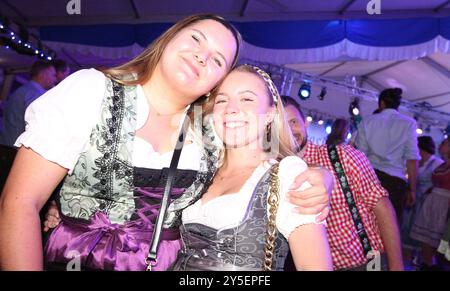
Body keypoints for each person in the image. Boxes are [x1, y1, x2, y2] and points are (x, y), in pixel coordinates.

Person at [0, 14, 332, 271]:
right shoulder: (91, 91)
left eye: (217, 60)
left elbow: (262, 160)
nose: (203, 57)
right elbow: (20, 202)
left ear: (213, 84)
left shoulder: (211, 131)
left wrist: (319, 176)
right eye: (196, 40)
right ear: (169, 39)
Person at [170, 65, 332, 271]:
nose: (231, 108)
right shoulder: (200, 167)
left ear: (270, 115)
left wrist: (324, 176)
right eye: (222, 100)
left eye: (247, 99)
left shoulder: (287, 175)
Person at [281, 95, 404, 271]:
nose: (289, 130)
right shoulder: (278, 174)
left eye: (293, 122)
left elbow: (383, 208)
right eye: (282, 125)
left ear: (305, 123)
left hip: (371, 265)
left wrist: (397, 266)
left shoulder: (343, 156)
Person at [356, 88, 420, 223]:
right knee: (390, 228)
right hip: (395, 182)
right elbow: (412, 159)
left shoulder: (367, 121)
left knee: (365, 224)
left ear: (381, 103)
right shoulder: (409, 123)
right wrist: (413, 189)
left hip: (370, 178)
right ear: (397, 105)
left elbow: (360, 155)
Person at [401, 136, 443, 264]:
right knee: (407, 230)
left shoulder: (437, 163)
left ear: (421, 147)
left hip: (427, 203)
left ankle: (420, 262)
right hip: (413, 202)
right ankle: (407, 262)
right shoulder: (416, 162)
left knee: (422, 235)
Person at [410, 136, 450, 270]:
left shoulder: (439, 163)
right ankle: (427, 264)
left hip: (445, 203)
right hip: (433, 200)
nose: (441, 144)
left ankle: (433, 265)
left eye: (445, 143)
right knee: (425, 239)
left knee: (437, 240)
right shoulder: (443, 164)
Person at [0, 60, 57, 146]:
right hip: (15, 147)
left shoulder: (24, 89)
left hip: (7, 142)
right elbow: (37, 125)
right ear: (43, 74)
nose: (55, 79)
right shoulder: (35, 94)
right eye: (53, 75)